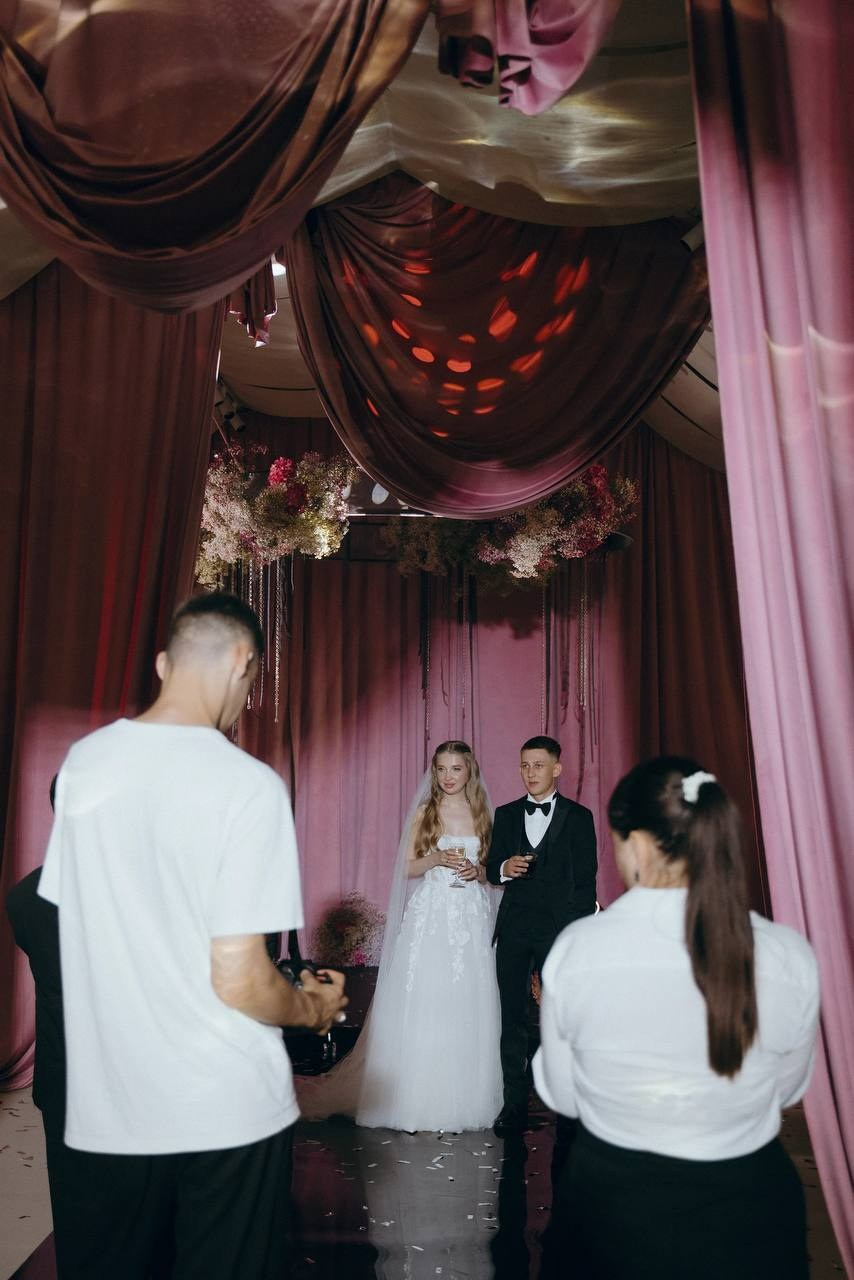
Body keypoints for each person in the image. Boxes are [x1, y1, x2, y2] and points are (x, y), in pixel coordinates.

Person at [37, 591, 347, 1279]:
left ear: (162, 664)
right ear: (243, 663)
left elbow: (77, 922)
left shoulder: (85, 764)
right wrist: (313, 1008)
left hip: (111, 1104)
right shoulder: (248, 785)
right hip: (224, 1108)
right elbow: (240, 977)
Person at [533, 756, 820, 1280]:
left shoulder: (579, 948)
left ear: (638, 845)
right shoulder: (787, 953)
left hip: (611, 1207)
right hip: (751, 1209)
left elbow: (564, 1095)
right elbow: (787, 1087)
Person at [299, 739, 503, 1132]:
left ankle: (465, 1097)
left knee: (466, 999)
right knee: (426, 995)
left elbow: (492, 872)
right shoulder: (427, 811)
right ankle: (413, 1099)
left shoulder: (483, 813)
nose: (447, 777)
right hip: (432, 915)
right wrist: (435, 859)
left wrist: (478, 872)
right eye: (441, 769)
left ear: (469, 771)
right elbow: (406, 867)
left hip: (471, 917)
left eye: (455, 769)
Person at [486, 735, 597, 1136]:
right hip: (515, 928)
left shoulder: (579, 817)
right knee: (512, 1018)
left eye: (538, 765)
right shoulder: (506, 814)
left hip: (557, 930)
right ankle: (513, 1104)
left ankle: (567, 1103)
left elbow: (586, 882)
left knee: (561, 1017)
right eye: (524, 765)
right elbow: (490, 869)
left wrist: (572, 932)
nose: (530, 773)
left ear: (556, 769)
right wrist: (504, 868)